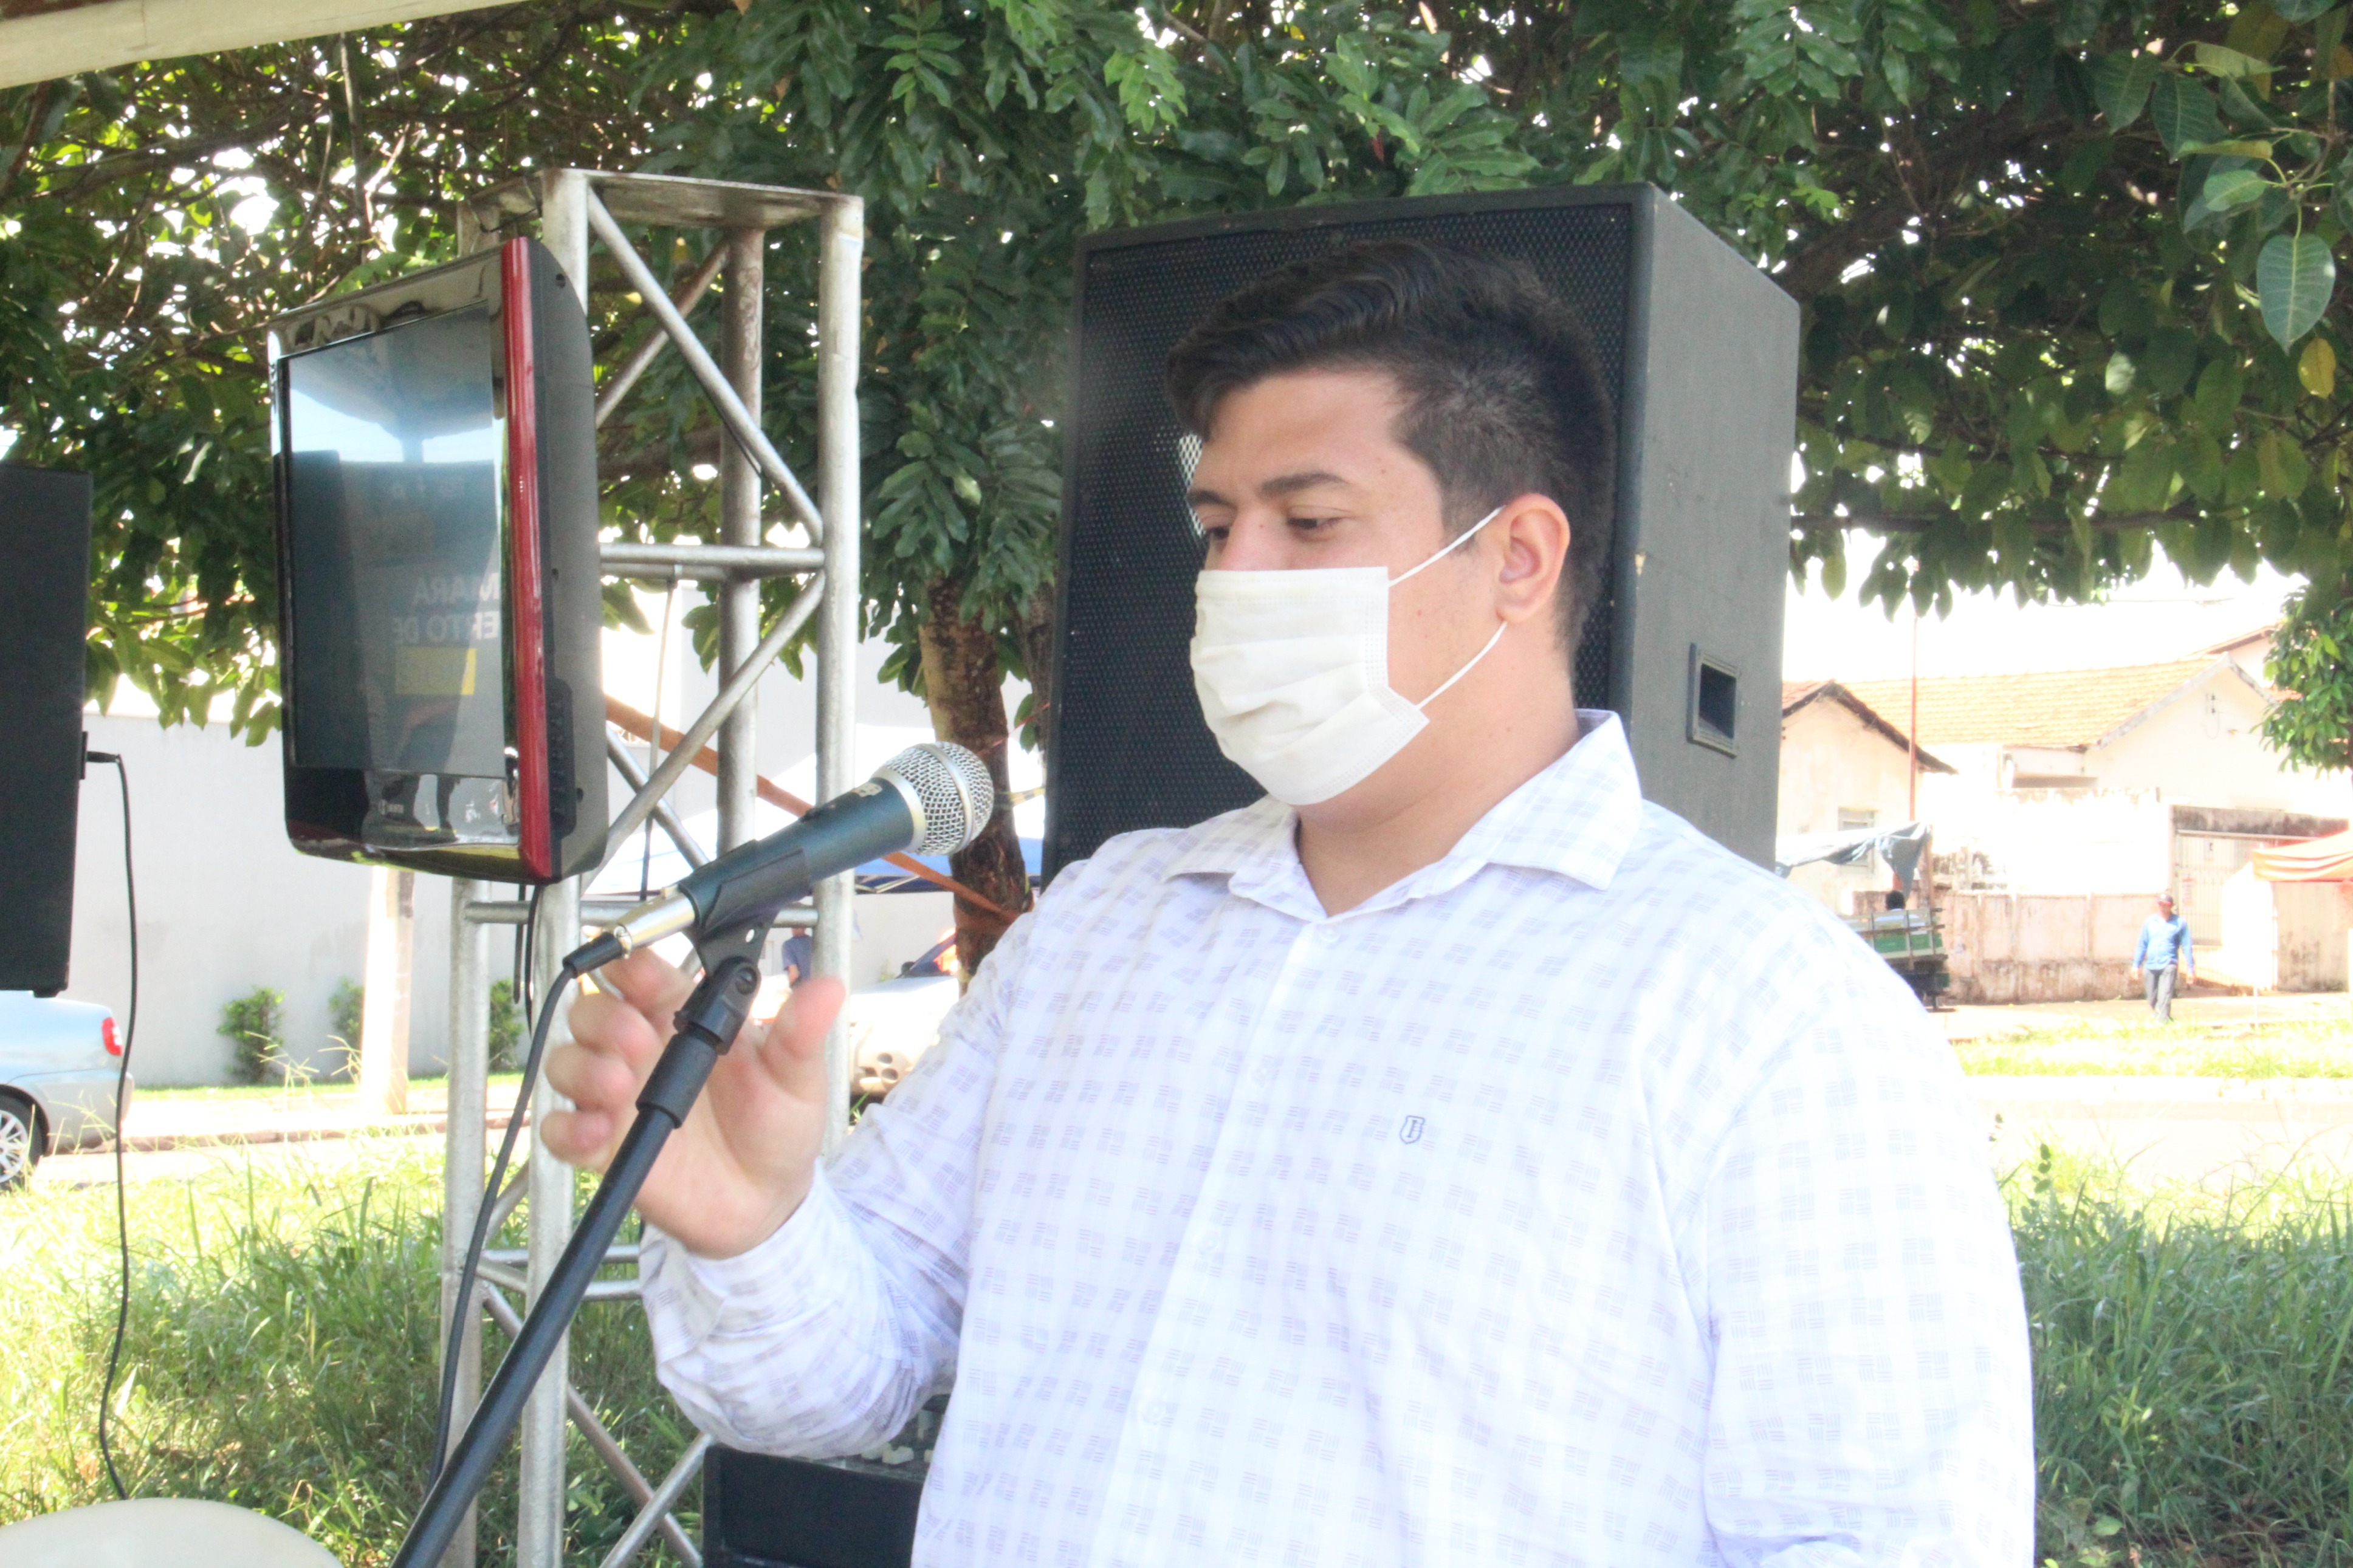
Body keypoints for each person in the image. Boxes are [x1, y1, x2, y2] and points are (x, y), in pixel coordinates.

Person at [542, 241, 2032, 1564]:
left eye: (1307, 524)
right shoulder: (1101, 930)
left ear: (1518, 557)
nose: (1235, 576)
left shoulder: (1766, 1015)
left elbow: (1889, 1536)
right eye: (1215, 526)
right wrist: (754, 1226)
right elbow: (833, 1378)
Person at [2131, 891, 2196, 1022]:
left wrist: (2191, 969)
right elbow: (2142, 944)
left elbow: (2187, 946)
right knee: (2152, 998)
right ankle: (2164, 1019)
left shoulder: (2179, 923)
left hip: (2168, 964)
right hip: (2151, 965)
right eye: (2160, 904)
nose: (2163, 907)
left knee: (2165, 995)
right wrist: (2136, 965)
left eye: (2165, 905)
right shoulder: (2150, 922)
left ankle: (2161, 1023)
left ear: (2171, 906)